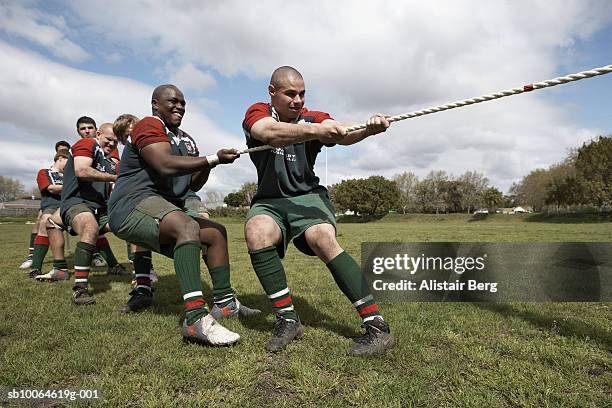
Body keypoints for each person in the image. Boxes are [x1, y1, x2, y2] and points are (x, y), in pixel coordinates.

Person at [242, 66, 395, 356]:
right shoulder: (258, 112)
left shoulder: (315, 117)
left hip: (307, 196)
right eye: (290, 93)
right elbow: (268, 132)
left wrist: (368, 128)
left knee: (322, 237)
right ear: (272, 92)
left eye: (302, 94)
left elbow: (341, 131)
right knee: (256, 230)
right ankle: (288, 319)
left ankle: (377, 326)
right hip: (270, 200)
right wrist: (316, 130)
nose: (297, 100)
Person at [108, 87, 259, 346]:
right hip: (131, 204)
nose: (179, 106)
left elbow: (192, 184)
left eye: (183, 102)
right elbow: (165, 164)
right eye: (172, 101)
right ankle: (196, 318)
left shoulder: (186, 139)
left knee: (215, 233)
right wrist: (211, 157)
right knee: (187, 226)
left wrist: (212, 163)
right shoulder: (148, 125)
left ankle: (224, 304)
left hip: (161, 205)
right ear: (155, 104)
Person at [54, 122, 127, 305]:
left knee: (131, 225)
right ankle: (80, 288)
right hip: (76, 202)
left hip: (100, 208)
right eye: (109, 139)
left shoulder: (109, 162)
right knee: (89, 226)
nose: (111, 144)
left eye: (115, 142)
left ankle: (143, 280)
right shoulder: (87, 144)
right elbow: (81, 170)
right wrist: (114, 178)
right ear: (99, 134)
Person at [19, 141, 70, 269]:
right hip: (52, 206)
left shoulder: (68, 176)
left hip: (68, 206)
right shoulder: (44, 172)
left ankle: (110, 263)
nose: (69, 166)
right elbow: (51, 188)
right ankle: (35, 266)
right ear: (60, 158)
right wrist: (70, 187)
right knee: (43, 222)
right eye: (68, 162)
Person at [76, 116, 118, 268]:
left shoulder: (108, 150)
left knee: (127, 226)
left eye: (90, 127)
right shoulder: (81, 147)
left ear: (97, 131)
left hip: (101, 201)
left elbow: (114, 169)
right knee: (48, 221)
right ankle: (58, 266)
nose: (87, 131)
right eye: (82, 128)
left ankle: (136, 268)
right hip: (78, 201)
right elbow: (80, 171)